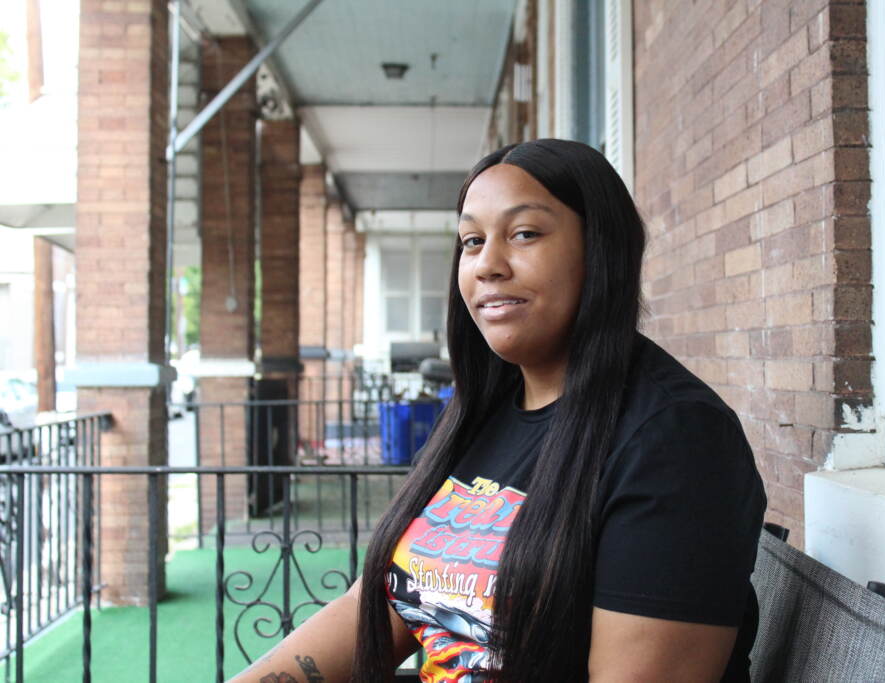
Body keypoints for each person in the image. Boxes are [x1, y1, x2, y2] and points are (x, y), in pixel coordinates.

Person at [231, 139, 766, 682]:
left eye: (525, 233)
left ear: (601, 250)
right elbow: (377, 607)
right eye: (471, 240)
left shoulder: (675, 440)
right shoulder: (482, 417)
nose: (487, 264)